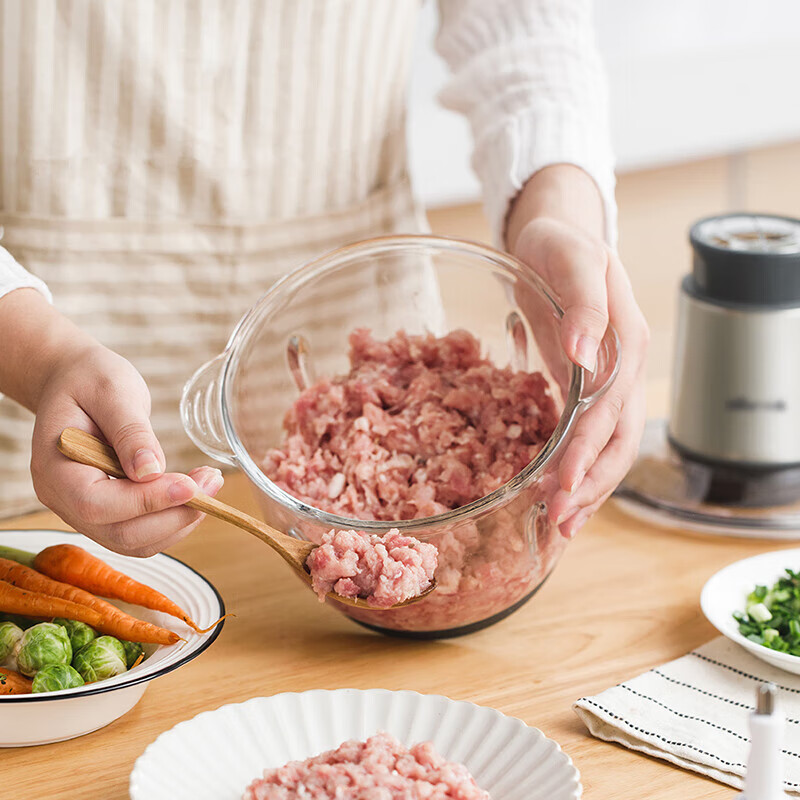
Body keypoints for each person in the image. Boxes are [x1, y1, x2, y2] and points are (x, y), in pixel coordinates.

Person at [0, 0, 647, 555]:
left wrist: (559, 212)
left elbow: (524, 34)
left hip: (356, 336)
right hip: (32, 383)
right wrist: (43, 356)